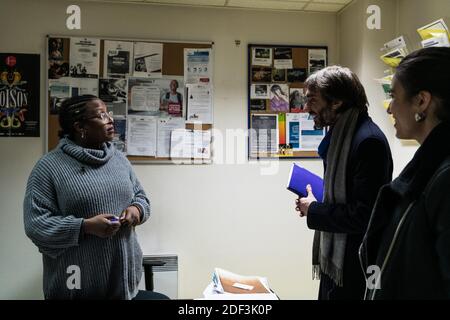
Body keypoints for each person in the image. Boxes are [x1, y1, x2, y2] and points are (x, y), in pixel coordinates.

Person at [23, 95, 168, 300]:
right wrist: (85, 227)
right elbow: (36, 225)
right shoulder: (49, 167)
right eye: (101, 115)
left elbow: (141, 197)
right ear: (80, 127)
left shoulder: (118, 158)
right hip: (76, 286)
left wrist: (136, 211)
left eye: (108, 113)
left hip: (123, 284)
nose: (110, 119)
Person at [295, 66, 393, 300]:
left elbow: (364, 215)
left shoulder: (368, 141)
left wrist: (314, 209)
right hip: (337, 259)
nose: (306, 108)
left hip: (355, 265)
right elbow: (348, 193)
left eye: (312, 100)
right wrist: (317, 200)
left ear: (337, 102)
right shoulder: (341, 135)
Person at [360, 47, 450, 299]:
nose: (389, 109)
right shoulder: (428, 169)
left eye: (394, 97)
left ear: (421, 101)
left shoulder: (444, 178)